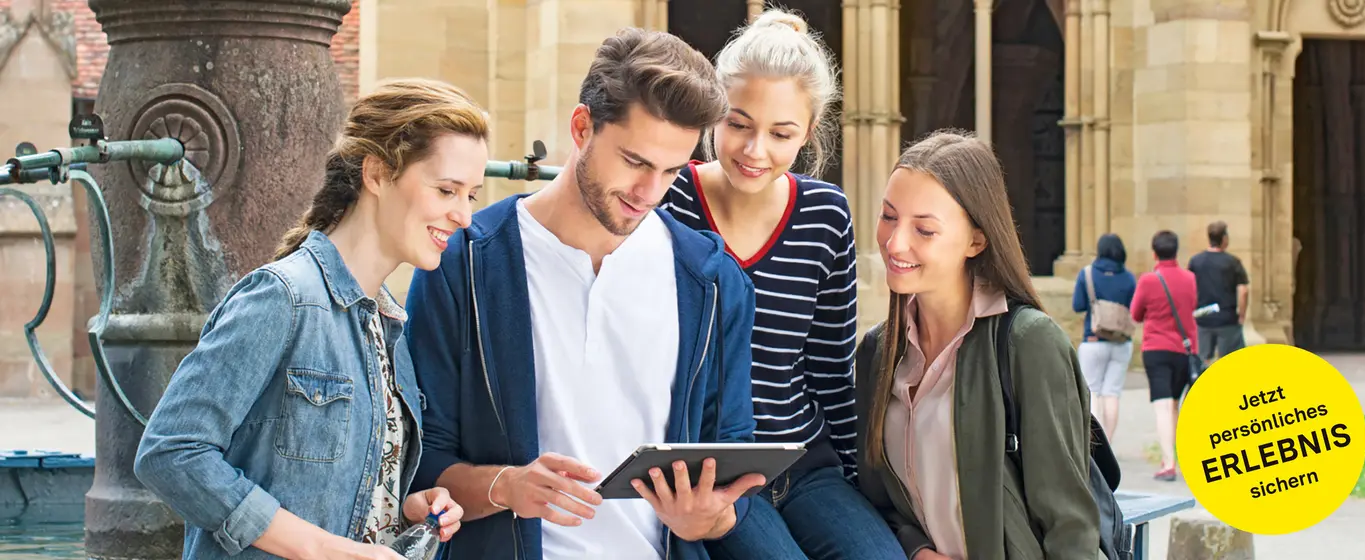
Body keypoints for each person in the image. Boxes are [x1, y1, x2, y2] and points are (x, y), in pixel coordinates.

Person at [403, 28, 765, 560]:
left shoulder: (711, 281)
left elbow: (734, 458)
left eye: (671, 171)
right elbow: (419, 461)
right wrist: (505, 485)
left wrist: (711, 518)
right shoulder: (465, 262)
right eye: (635, 162)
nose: (650, 193)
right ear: (581, 127)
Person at [132, 78, 480, 559]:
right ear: (377, 174)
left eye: (471, 196)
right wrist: (321, 549)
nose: (464, 216)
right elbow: (171, 452)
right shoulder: (283, 298)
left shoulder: (390, 324)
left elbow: (338, 493)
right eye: (447, 190)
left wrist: (405, 508)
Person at [659, 10, 905, 560]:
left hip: (804, 462)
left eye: (781, 133)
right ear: (713, 114)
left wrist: (861, 488)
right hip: (710, 471)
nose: (754, 150)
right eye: (739, 124)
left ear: (810, 134)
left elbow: (829, 372)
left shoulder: (825, 215)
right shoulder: (668, 200)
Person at [854, 130, 1100, 560]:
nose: (894, 243)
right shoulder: (877, 352)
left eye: (924, 229)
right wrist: (916, 549)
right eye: (889, 216)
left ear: (976, 241)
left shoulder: (1028, 344)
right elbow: (877, 498)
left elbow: (1070, 527)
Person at [1129, 230, 1199, 482]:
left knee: (1162, 405)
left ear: (1154, 253)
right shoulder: (1190, 278)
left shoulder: (1148, 280)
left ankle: (1168, 463)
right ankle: (1175, 458)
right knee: (1175, 406)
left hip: (1156, 348)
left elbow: (1135, 314)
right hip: (1183, 349)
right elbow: (1190, 307)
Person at [1071, 233, 1137, 440]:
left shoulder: (1088, 274)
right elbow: (1134, 309)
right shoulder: (1128, 277)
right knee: (1112, 392)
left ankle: (1096, 443)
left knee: (1093, 391)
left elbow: (1078, 305)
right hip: (1121, 342)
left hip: (1093, 340)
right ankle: (1108, 440)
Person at [1188, 220, 1249, 363]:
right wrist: (1242, 314)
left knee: (1202, 360)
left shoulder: (1196, 261)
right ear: (1224, 238)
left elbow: (1190, 288)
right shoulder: (1233, 262)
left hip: (1203, 317)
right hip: (1226, 318)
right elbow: (1243, 291)